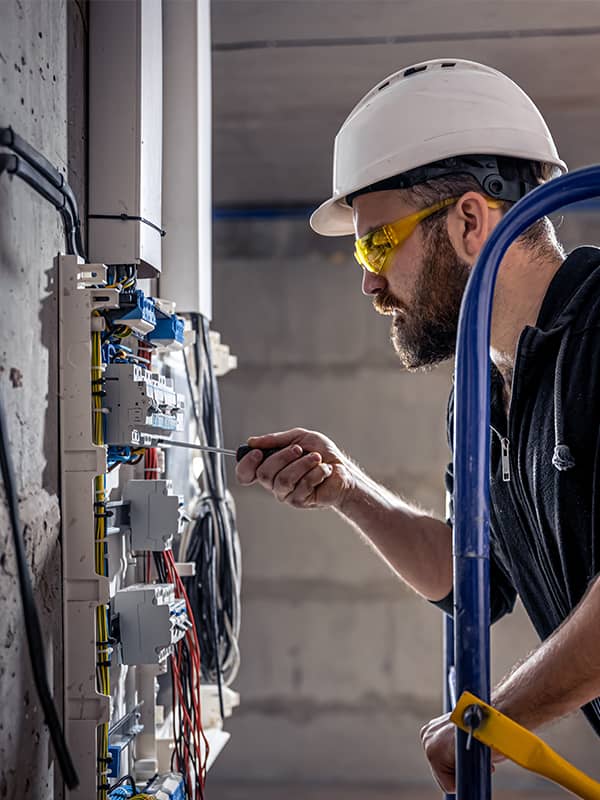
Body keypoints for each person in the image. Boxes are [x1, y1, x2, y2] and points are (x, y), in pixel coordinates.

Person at [235, 58, 600, 793]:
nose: (370, 281)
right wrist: (348, 490)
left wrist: (496, 719)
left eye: (377, 243)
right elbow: (470, 579)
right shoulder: (480, 398)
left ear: (470, 220)